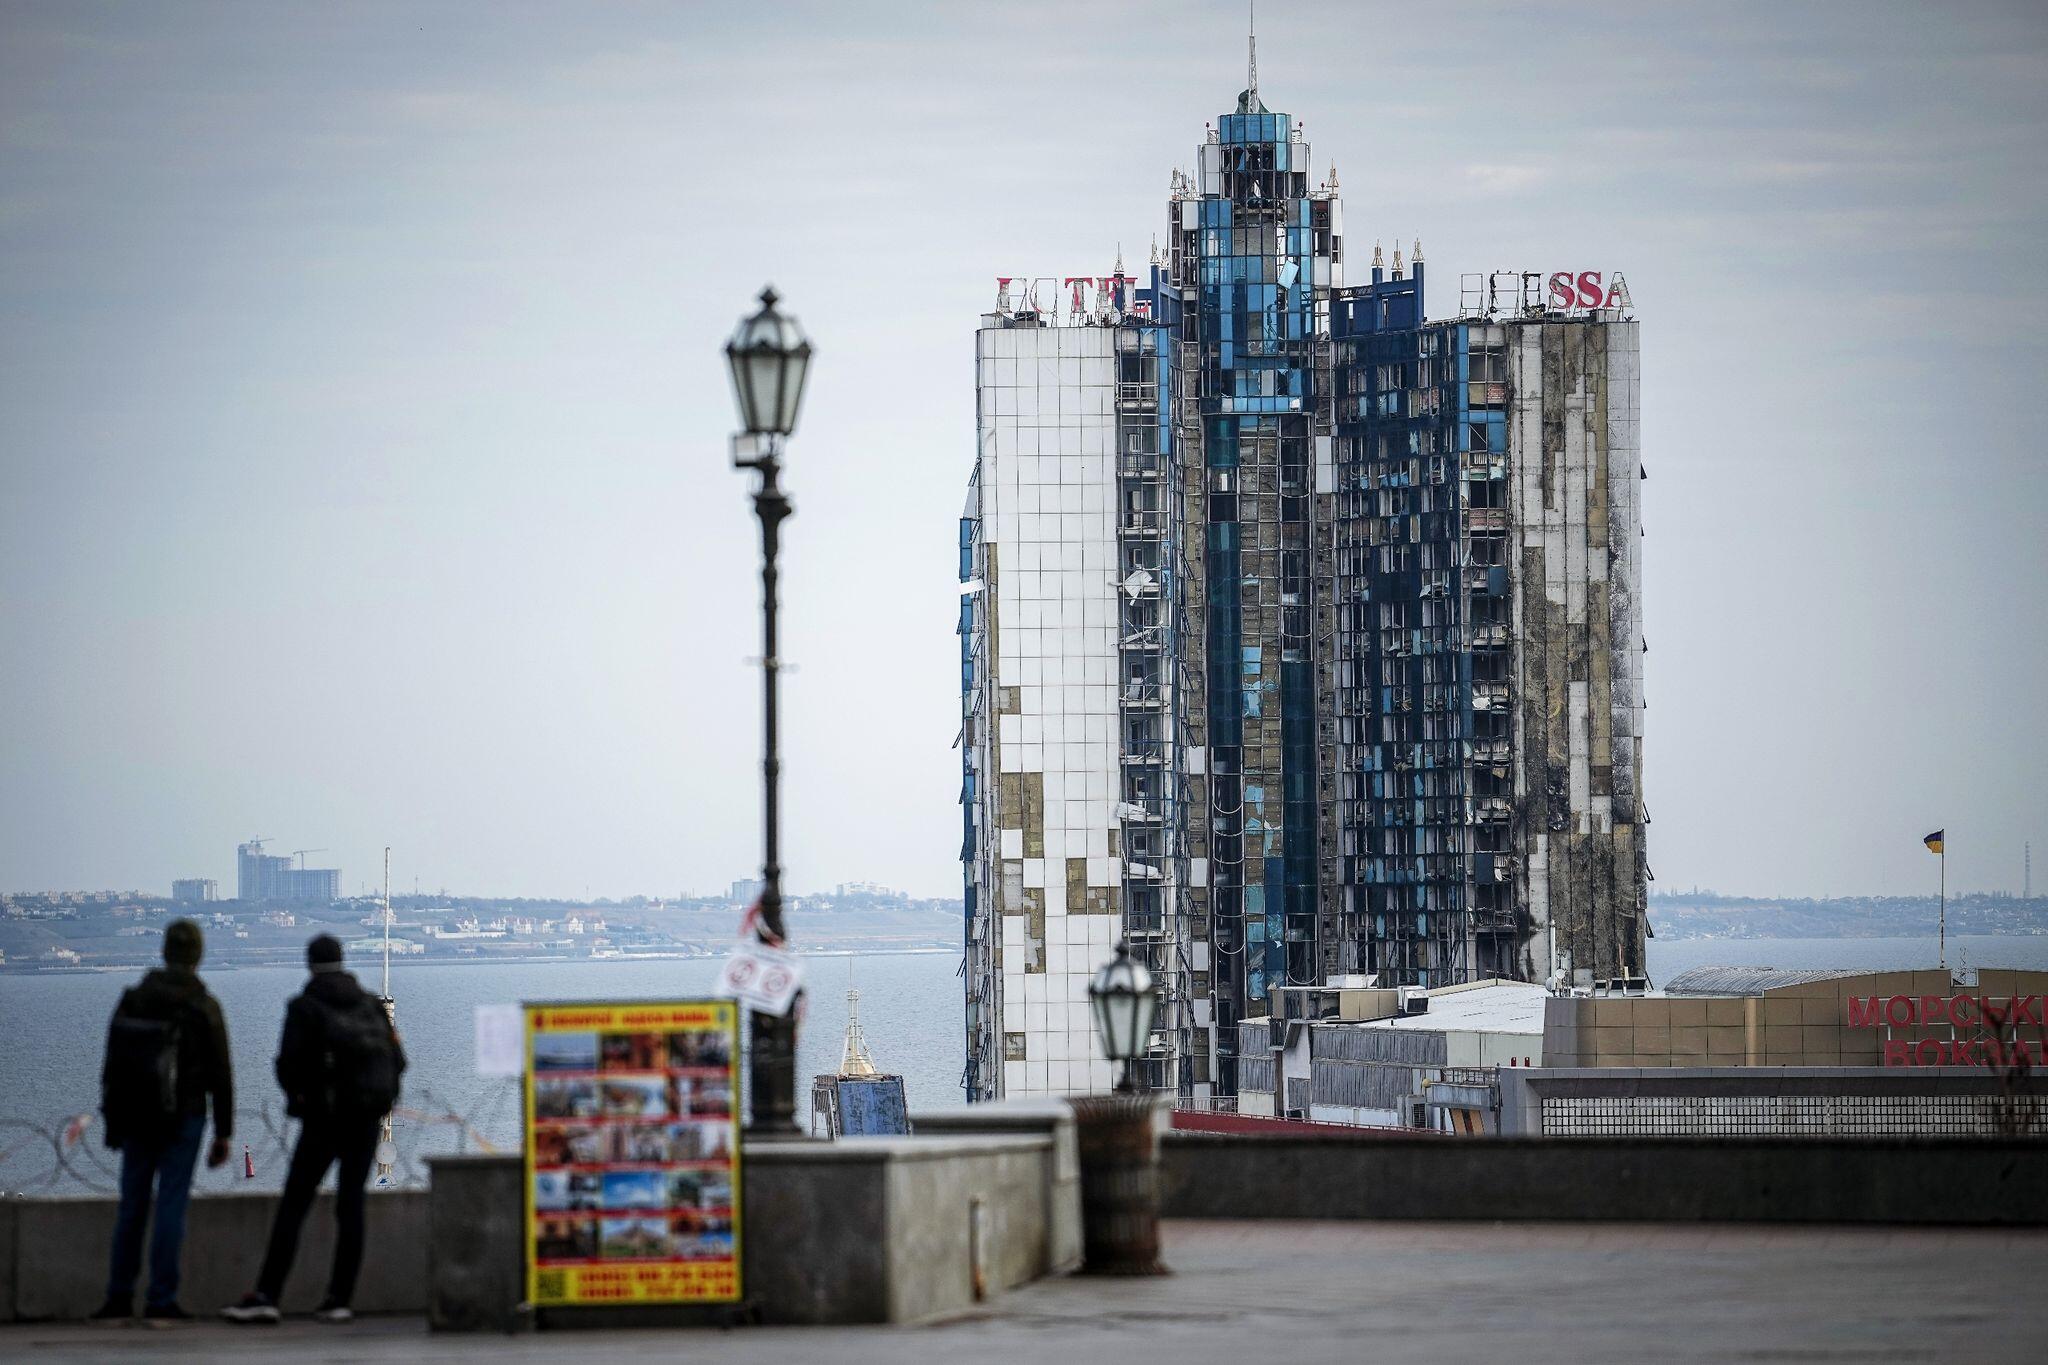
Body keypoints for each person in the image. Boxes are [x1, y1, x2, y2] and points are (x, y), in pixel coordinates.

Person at [221, 934, 404, 1325]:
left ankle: (268, 1294)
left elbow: (287, 1064)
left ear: (309, 963)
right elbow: (398, 1061)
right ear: (342, 960)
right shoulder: (370, 1005)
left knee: (295, 1205)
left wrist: (299, 1101)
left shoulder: (304, 1007)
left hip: (323, 1121)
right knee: (351, 1205)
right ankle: (339, 1299)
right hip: (366, 1120)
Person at [94, 918, 234, 1322]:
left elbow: (113, 1064)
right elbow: (221, 1073)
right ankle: (161, 1299)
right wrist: (223, 1132)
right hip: (184, 1118)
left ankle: (118, 1298)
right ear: (198, 955)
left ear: (165, 952)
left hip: (135, 1117)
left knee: (132, 1205)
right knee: (171, 1204)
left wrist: (111, 1119)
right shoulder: (203, 1005)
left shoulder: (134, 998)